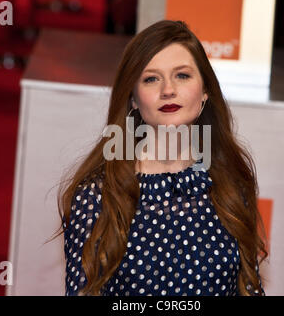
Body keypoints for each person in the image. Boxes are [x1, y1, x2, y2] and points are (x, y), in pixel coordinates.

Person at [57, 20, 268, 296]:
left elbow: (250, 288)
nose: (168, 89)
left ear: (205, 91)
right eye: (151, 78)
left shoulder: (231, 181)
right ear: (133, 98)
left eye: (182, 75)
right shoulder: (97, 196)